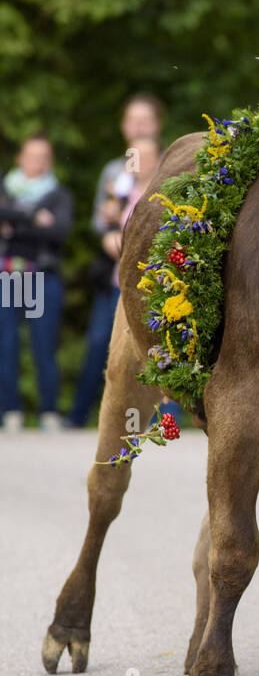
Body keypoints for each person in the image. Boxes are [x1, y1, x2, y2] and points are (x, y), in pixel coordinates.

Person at [66, 94, 163, 427]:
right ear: (124, 126)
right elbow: (101, 217)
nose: (138, 127)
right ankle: (78, 416)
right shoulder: (114, 170)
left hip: (154, 276)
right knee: (100, 344)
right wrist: (108, 231)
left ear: (157, 125)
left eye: (144, 120)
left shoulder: (168, 167)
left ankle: (163, 419)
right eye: (132, 120)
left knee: (155, 349)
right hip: (116, 274)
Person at [0, 133, 74, 430]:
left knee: (43, 346)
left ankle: (49, 411)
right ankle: (10, 410)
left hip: (41, 277)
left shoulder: (59, 194)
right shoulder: (6, 187)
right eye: (32, 156)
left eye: (43, 157)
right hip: (8, 277)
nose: (37, 162)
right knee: (6, 344)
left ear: (50, 161)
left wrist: (14, 222)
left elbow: (59, 232)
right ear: (20, 158)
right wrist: (35, 218)